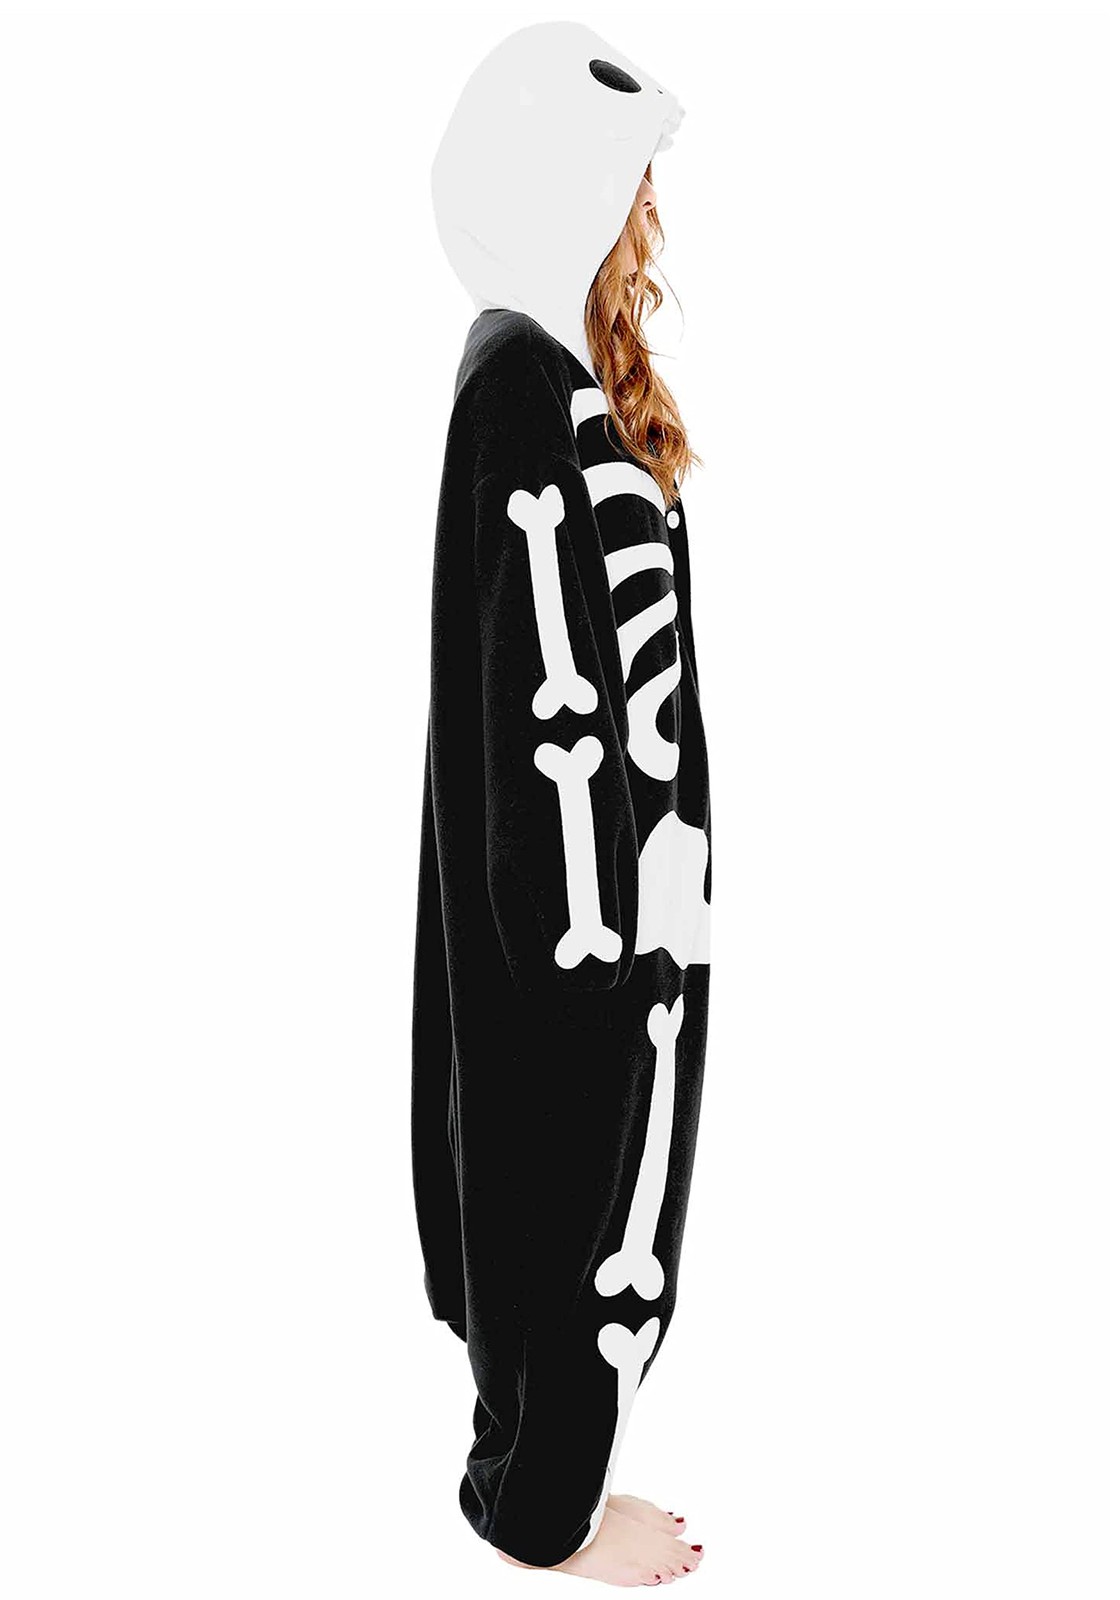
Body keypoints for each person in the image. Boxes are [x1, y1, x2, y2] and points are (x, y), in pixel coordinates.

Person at [411, 21, 712, 1587]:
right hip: (591, 910)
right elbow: (533, 707)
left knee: (621, 1170)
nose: (645, 220)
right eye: (630, 185)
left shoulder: (563, 386)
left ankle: (561, 1469)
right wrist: (598, 921)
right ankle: (540, 1506)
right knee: (570, 1166)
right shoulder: (519, 391)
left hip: (635, 897)